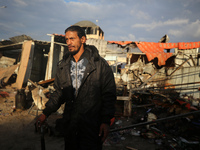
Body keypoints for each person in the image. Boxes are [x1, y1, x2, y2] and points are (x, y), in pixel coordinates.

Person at [36, 25, 116, 150]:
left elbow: (109, 94)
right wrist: (45, 113)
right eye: (67, 39)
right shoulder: (63, 66)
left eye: (72, 39)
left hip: (92, 125)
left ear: (83, 39)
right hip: (71, 124)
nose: (69, 43)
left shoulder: (99, 65)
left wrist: (105, 122)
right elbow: (58, 93)